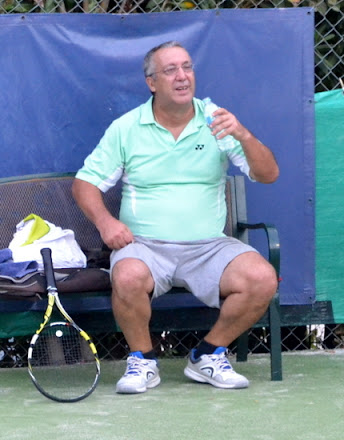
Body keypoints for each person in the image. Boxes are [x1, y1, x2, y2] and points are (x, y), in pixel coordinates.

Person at [72, 41, 279, 394]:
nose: (182, 76)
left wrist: (243, 134)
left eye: (187, 67)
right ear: (152, 83)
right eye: (170, 70)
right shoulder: (127, 128)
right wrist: (106, 223)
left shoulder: (217, 122)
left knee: (262, 278)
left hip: (209, 247)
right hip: (145, 247)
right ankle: (143, 360)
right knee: (127, 275)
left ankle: (207, 355)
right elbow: (84, 184)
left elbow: (268, 174)